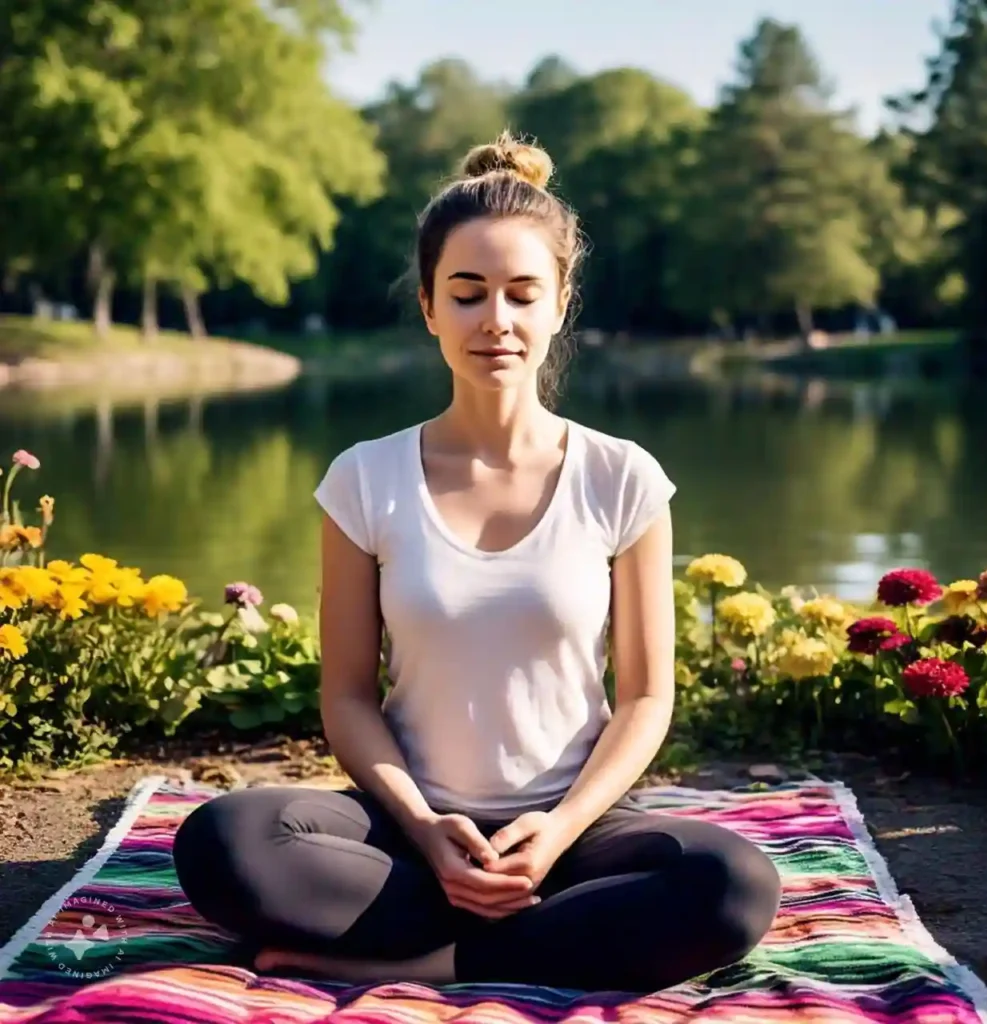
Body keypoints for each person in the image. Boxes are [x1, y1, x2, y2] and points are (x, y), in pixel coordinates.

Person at [172, 131, 781, 993]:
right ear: (429, 307)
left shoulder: (622, 477)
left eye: (521, 294)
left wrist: (561, 829)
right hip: (407, 840)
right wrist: (424, 826)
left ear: (559, 305)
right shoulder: (364, 478)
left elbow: (647, 695)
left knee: (733, 887)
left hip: (573, 839)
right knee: (224, 843)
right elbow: (346, 694)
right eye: (467, 294)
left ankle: (436, 959)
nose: (495, 320)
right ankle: (530, 943)